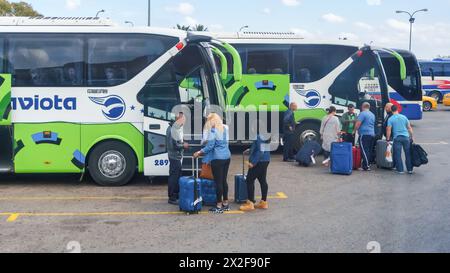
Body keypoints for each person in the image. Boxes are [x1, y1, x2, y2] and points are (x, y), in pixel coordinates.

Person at [194, 113, 232, 214]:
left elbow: (209, 146)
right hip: (227, 156)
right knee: (224, 181)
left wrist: (199, 152)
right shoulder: (224, 129)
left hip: (218, 158)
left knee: (218, 182)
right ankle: (226, 203)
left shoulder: (213, 131)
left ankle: (218, 205)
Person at [240, 126, 272, 212]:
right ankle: (263, 202)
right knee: (262, 180)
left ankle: (250, 203)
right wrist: (250, 150)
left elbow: (260, 151)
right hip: (266, 160)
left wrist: (252, 163)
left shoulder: (258, 136)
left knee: (249, 180)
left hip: (259, 162)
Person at [167, 113, 189, 205]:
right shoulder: (173, 129)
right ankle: (172, 197)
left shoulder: (174, 128)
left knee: (176, 176)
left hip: (176, 156)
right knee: (174, 177)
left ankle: (175, 195)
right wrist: (183, 145)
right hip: (174, 156)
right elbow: (174, 145)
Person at [386, 105, 414, 175]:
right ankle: (409, 169)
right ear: (397, 109)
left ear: (391, 111)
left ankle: (400, 170)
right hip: (406, 137)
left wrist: (388, 139)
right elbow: (409, 128)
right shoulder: (404, 117)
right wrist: (412, 137)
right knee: (408, 154)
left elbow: (388, 130)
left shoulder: (391, 119)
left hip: (397, 138)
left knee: (397, 154)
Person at [355, 102, 376, 171]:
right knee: (369, 150)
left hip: (364, 134)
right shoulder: (372, 114)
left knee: (364, 150)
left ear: (362, 106)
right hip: (372, 134)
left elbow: (358, 124)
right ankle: (367, 164)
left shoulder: (362, 113)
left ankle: (366, 166)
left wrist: (354, 131)